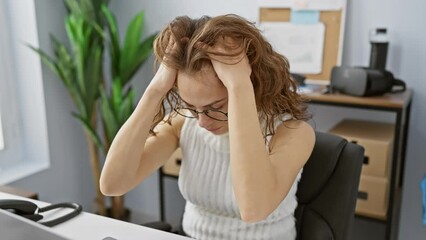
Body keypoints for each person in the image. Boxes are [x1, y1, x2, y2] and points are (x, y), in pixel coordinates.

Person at [100, 14, 315, 240]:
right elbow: (113, 184)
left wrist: (240, 85)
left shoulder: (293, 133)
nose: (202, 122)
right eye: (191, 107)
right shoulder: (183, 122)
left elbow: (253, 209)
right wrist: (156, 89)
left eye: (215, 107)